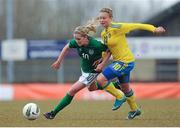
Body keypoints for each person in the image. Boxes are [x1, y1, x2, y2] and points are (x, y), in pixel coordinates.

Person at [94, 7, 166, 120]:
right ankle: (135, 110)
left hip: (125, 62)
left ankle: (119, 97)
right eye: (100, 18)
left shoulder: (118, 27)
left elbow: (136, 25)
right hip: (119, 62)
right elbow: (108, 49)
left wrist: (154, 29)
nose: (101, 20)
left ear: (111, 18)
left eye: (104, 18)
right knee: (126, 89)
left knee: (100, 79)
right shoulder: (104, 33)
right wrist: (102, 60)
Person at [43, 24, 126, 119]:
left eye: (78, 39)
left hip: (93, 71)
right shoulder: (77, 42)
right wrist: (58, 61)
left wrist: (102, 63)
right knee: (91, 88)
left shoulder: (95, 44)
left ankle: (52, 113)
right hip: (85, 70)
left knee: (72, 91)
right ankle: (115, 85)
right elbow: (66, 47)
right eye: (75, 38)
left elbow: (109, 50)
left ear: (85, 37)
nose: (76, 41)